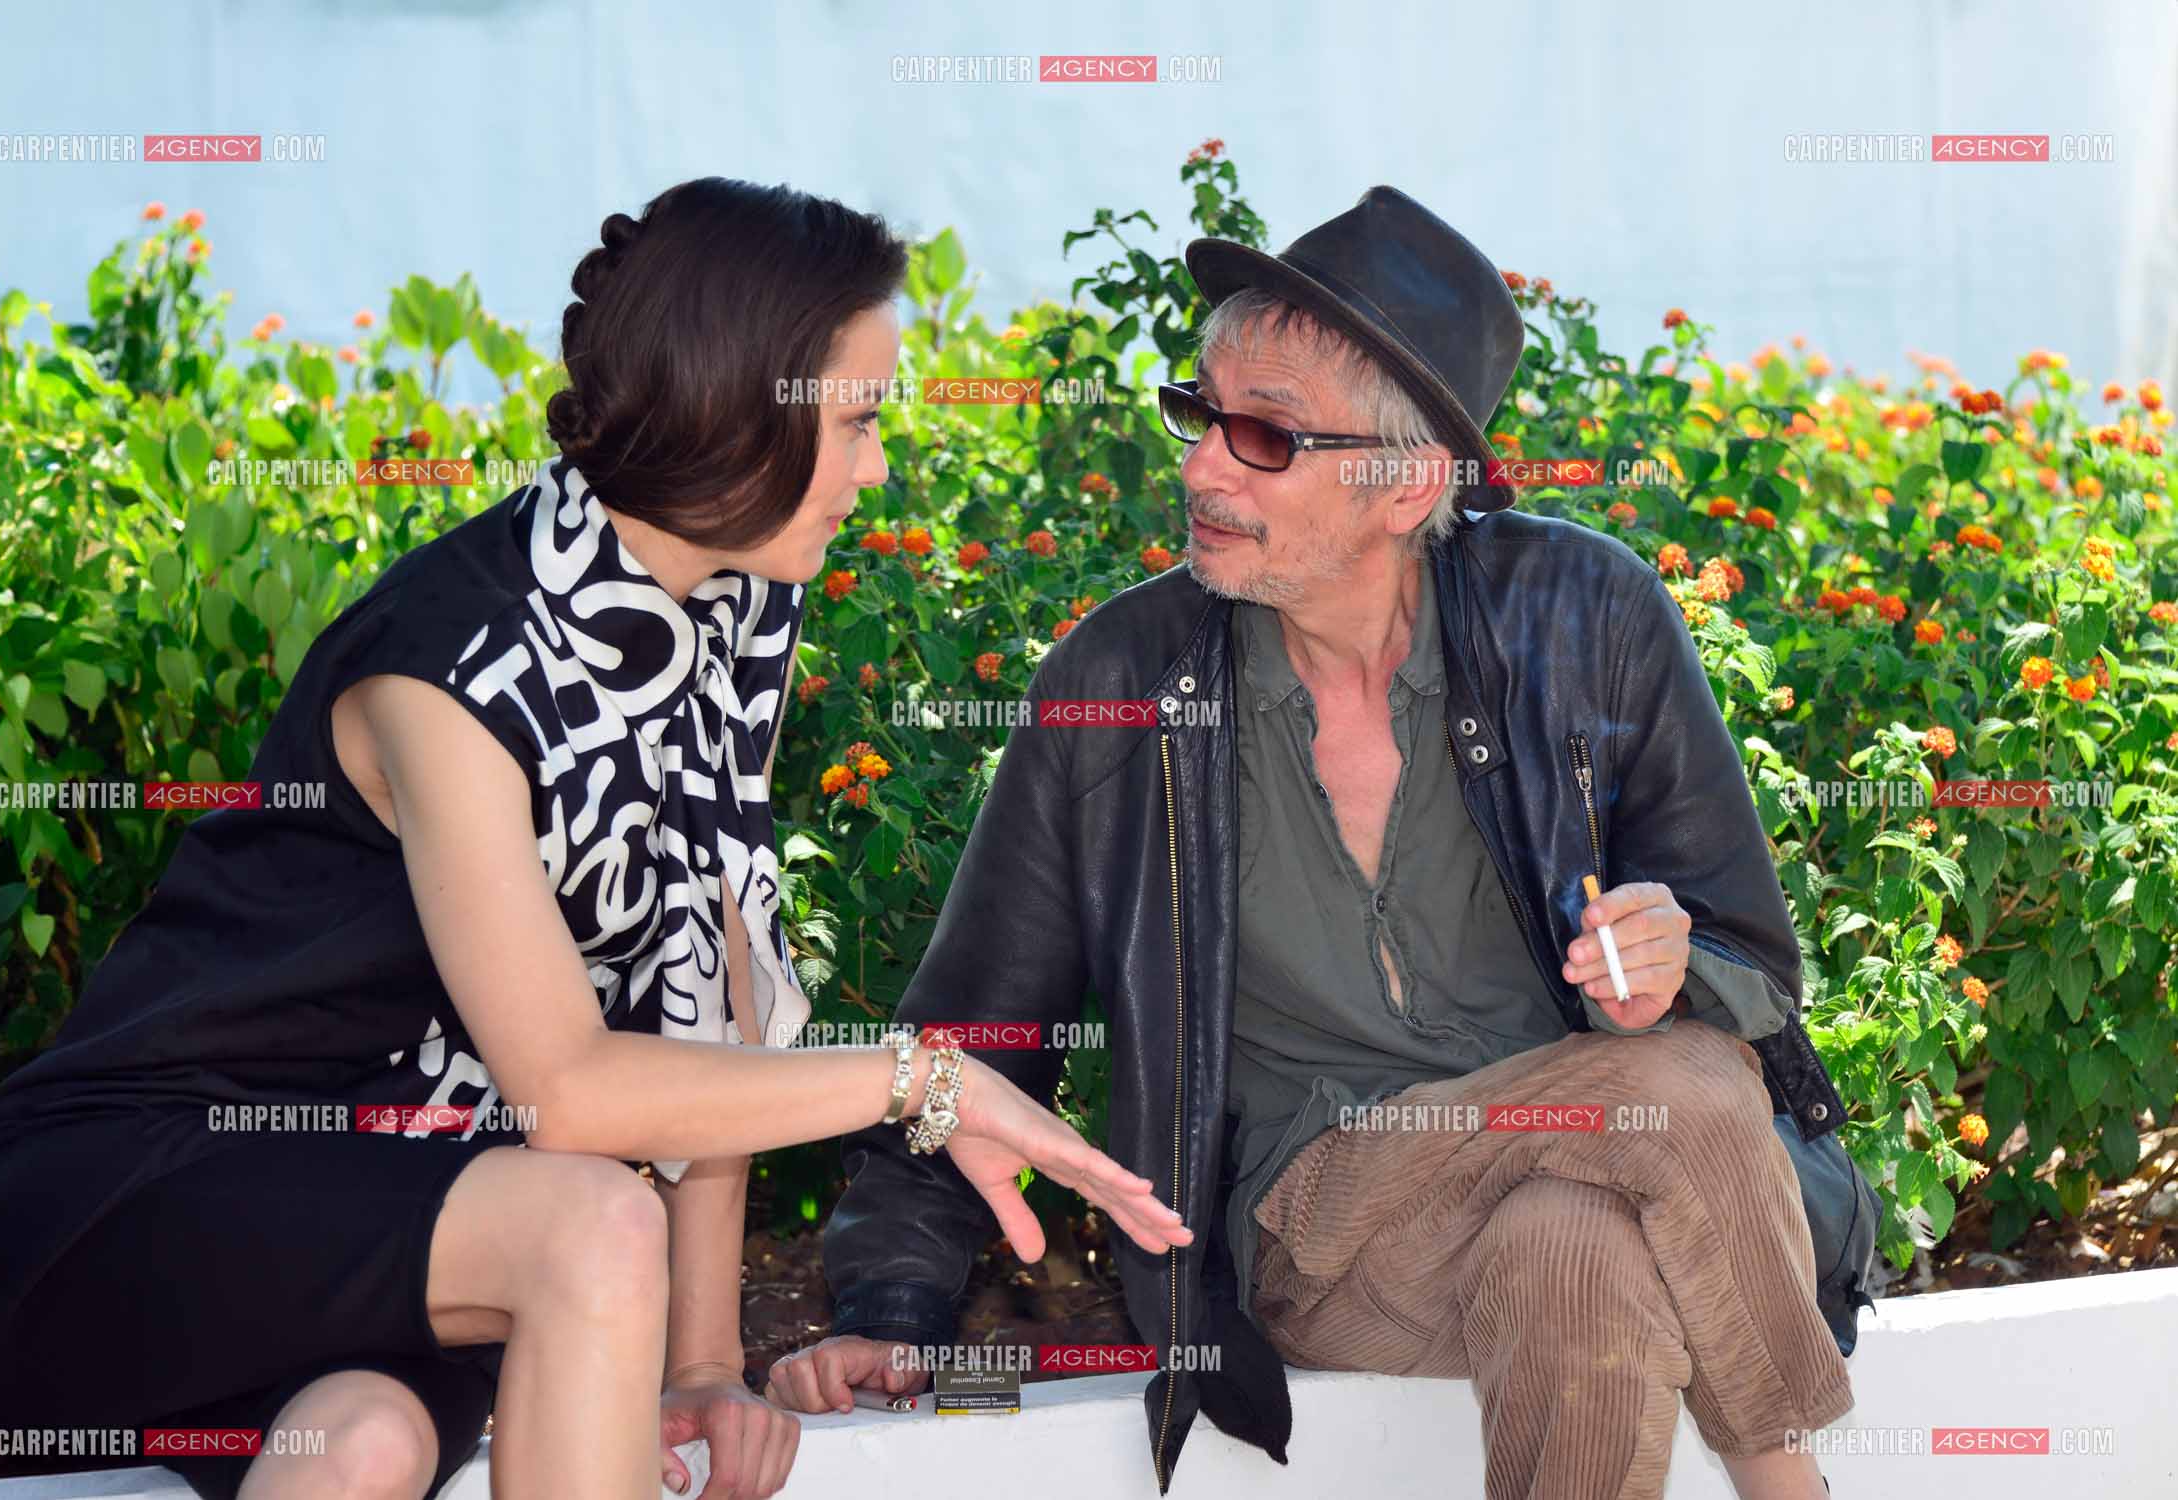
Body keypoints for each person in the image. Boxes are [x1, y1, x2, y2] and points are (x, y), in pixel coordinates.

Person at [0, 177, 1189, 1500]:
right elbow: (572, 1091)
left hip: (393, 1245)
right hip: (125, 1200)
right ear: (735, 406)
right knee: (592, 1219)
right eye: (862, 419)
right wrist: (918, 1074)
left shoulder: (731, 610)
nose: (880, 468)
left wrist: (703, 1361)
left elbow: (712, 986)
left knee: (361, 1449)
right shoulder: (450, 669)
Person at [770, 187, 1866, 1499]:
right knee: (1681, 1097)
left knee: (1577, 1257)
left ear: (1406, 482)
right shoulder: (1120, 682)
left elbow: (1745, 957)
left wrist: (1668, 959)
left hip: (1557, 1185)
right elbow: (971, 1034)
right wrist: (890, 1308)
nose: (1200, 468)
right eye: (1200, 415)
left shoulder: (1585, 618)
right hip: (1314, 1226)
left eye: (1262, 437)